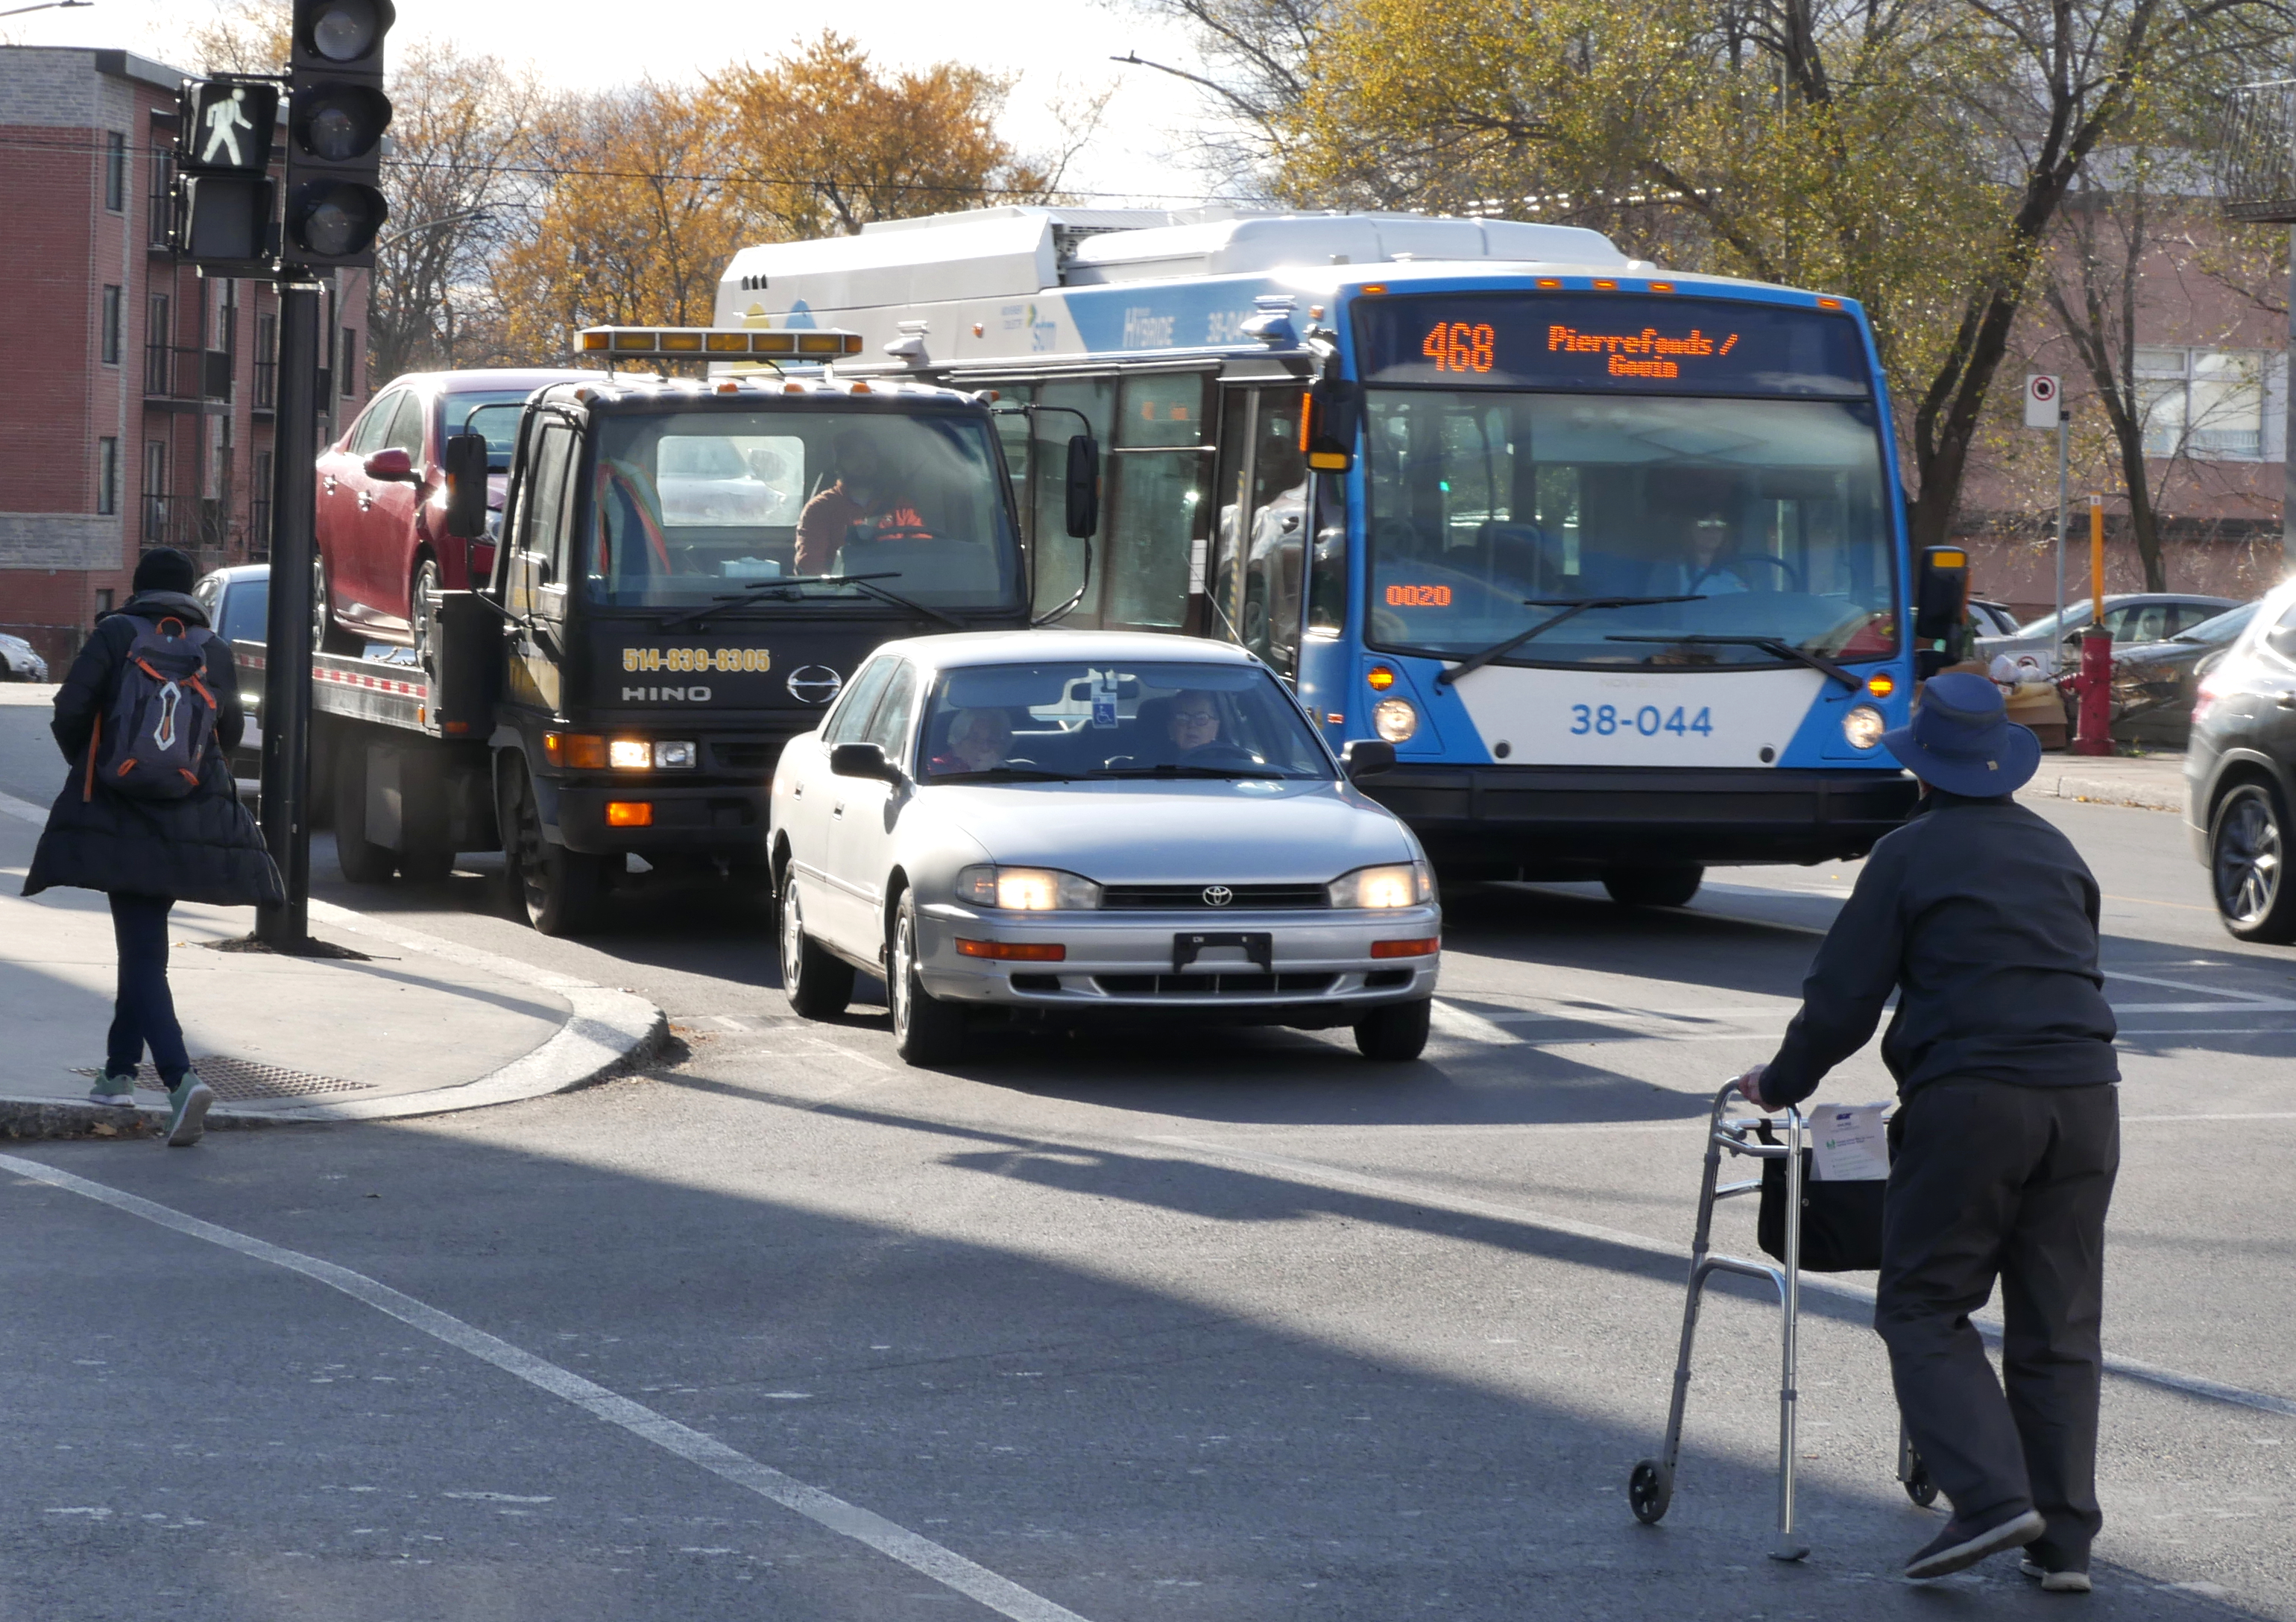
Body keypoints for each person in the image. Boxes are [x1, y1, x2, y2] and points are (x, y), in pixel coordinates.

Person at [1732, 672, 2119, 1591]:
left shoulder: (1908, 853)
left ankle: (1988, 1497)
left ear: (1923, 770)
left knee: (1920, 1303)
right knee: (2056, 1324)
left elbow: (1841, 1002)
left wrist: (1777, 1083)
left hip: (1973, 1099)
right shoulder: (2058, 851)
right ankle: (2061, 1542)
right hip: (2085, 1097)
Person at [22, 548, 284, 1146]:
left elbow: (69, 710)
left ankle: (179, 1078)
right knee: (144, 945)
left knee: (141, 952)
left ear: (138, 589)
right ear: (190, 592)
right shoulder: (210, 648)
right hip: (190, 812)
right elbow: (232, 733)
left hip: (121, 811)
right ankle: (116, 1074)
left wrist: (99, 765)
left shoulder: (117, 633)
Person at [794, 432, 930, 575]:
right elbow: (810, 566)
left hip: (897, 594)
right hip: (841, 594)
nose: (863, 462)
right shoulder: (819, 508)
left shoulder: (902, 507)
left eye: (868, 455)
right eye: (852, 456)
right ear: (838, 463)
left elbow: (923, 555)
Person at [1653, 508, 1747, 596]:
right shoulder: (1670, 568)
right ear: (1689, 529)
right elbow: (1660, 609)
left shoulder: (1739, 568)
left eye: (1720, 525)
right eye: (1704, 525)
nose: (1712, 531)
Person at [930, 707, 1012, 774]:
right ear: (957, 743)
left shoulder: (1017, 773)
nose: (984, 747)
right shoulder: (934, 771)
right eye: (975, 740)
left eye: (992, 741)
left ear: (1004, 746)